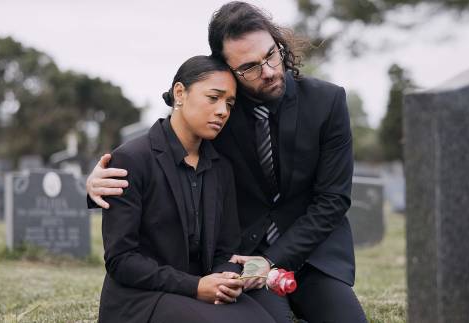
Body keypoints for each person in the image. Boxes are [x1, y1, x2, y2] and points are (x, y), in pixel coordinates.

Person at [90, 2, 368, 322]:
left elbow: (332, 200)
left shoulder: (327, 102)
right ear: (228, 68)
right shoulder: (222, 111)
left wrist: (273, 262)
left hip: (313, 255)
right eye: (249, 67)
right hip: (244, 258)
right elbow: (168, 140)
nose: (268, 71)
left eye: (271, 54)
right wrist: (96, 179)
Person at [98, 55, 275, 323]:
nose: (222, 111)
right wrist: (195, 286)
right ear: (180, 93)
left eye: (229, 103)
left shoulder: (221, 168)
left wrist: (225, 278)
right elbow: (121, 260)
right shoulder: (131, 159)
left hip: (199, 292)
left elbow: (225, 250)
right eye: (213, 98)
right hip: (141, 298)